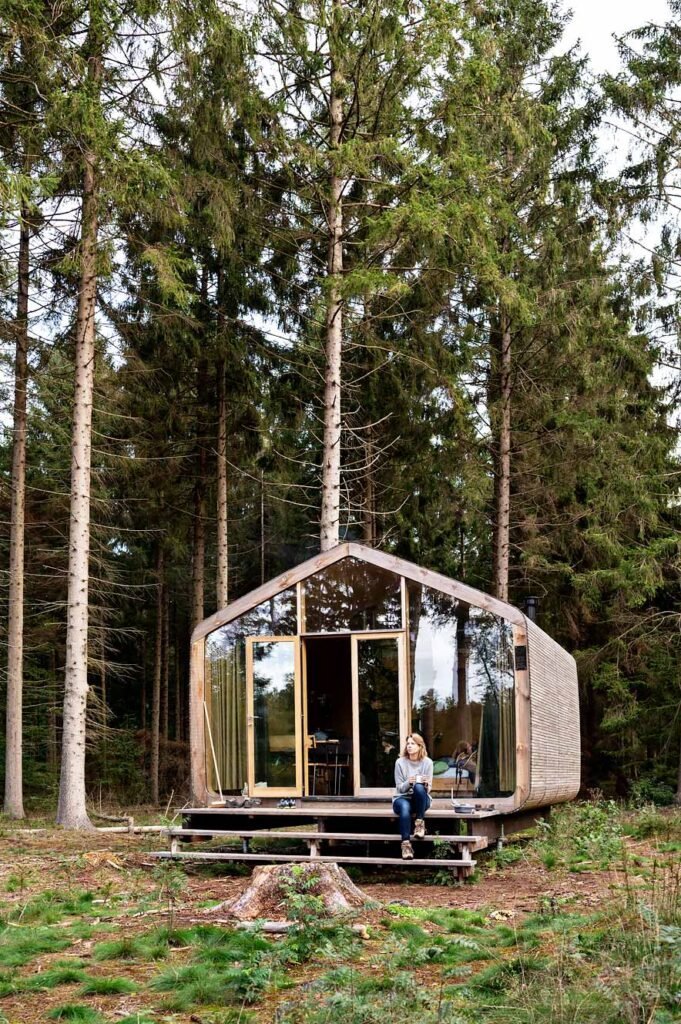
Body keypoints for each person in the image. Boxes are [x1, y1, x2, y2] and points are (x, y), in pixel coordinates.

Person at [393, 732, 433, 860]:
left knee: (418, 787)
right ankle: (406, 846)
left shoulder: (428, 763)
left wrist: (425, 785)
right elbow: (399, 788)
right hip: (402, 798)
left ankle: (419, 824)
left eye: (413, 744)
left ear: (420, 746)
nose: (409, 746)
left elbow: (429, 789)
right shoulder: (400, 762)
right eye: (408, 744)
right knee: (405, 808)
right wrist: (409, 782)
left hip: (420, 800)